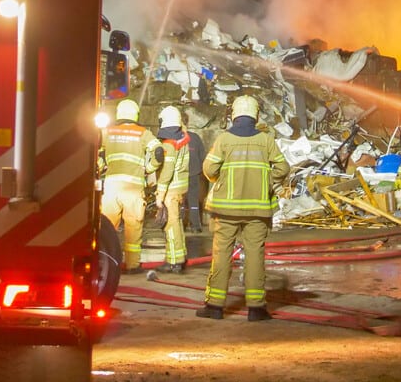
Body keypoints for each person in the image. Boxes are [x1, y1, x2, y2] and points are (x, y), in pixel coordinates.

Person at [197, 95, 290, 321]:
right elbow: (283, 168)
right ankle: (256, 308)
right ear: (256, 116)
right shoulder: (266, 140)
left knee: (222, 254)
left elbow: (209, 169)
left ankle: (215, 306)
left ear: (234, 115)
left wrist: (221, 180)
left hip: (226, 210)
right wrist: (266, 182)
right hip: (257, 210)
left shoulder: (224, 140)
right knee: (255, 254)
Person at [98, 99, 155, 274]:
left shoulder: (107, 131)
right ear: (136, 114)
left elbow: (95, 150)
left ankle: (105, 262)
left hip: (111, 187)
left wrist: (100, 165)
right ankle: (132, 265)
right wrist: (149, 168)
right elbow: (158, 151)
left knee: (107, 229)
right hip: (133, 187)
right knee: (133, 228)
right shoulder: (143, 133)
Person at [153, 105, 205, 274]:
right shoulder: (183, 141)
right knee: (177, 224)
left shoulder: (169, 145)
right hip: (180, 188)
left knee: (170, 225)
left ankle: (174, 262)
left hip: (170, 190)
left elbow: (167, 172)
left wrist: (160, 195)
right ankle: (179, 256)